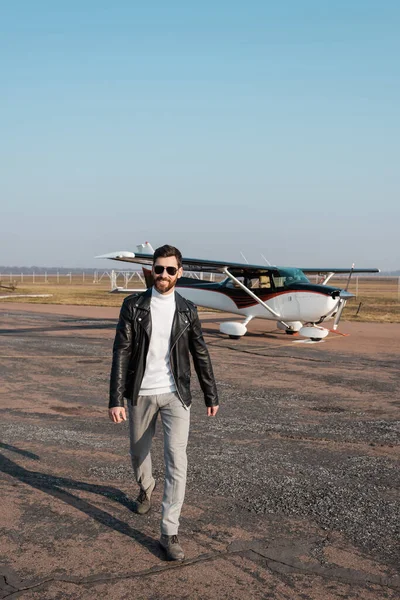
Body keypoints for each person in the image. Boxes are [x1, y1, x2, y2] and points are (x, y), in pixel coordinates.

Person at [108, 244, 219, 561]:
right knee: (138, 451)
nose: (164, 274)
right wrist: (116, 399)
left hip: (176, 395)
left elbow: (200, 354)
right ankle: (145, 486)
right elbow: (121, 353)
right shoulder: (134, 306)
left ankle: (169, 532)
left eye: (171, 269)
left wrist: (211, 394)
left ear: (180, 272)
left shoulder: (188, 310)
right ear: (152, 271)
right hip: (141, 392)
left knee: (177, 461)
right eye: (159, 269)